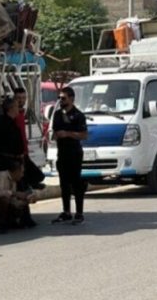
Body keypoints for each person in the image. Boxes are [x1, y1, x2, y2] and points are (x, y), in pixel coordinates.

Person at [51, 87, 89, 225]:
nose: (61, 101)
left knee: (76, 183)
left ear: (71, 99)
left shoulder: (78, 115)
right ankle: (66, 211)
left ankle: (79, 213)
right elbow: (54, 132)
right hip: (62, 153)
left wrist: (68, 134)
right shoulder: (57, 114)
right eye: (59, 98)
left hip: (74, 153)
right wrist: (55, 135)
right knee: (64, 184)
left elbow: (84, 135)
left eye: (63, 98)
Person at [13, 88, 46, 190]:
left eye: (23, 98)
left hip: (24, 150)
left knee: (37, 175)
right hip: (19, 152)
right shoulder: (13, 115)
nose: (21, 100)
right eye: (19, 98)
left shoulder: (22, 112)